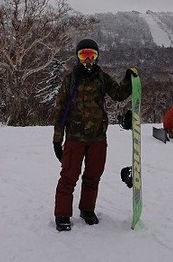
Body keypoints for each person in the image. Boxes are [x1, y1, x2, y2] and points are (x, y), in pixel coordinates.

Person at [52, 38, 136, 232]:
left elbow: (118, 94)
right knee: (68, 177)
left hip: (98, 137)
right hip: (75, 137)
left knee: (93, 176)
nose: (88, 60)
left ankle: (87, 209)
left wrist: (128, 79)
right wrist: (57, 140)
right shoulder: (70, 79)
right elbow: (59, 110)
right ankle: (63, 214)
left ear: (97, 57)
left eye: (92, 55)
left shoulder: (102, 77)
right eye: (83, 55)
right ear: (77, 57)